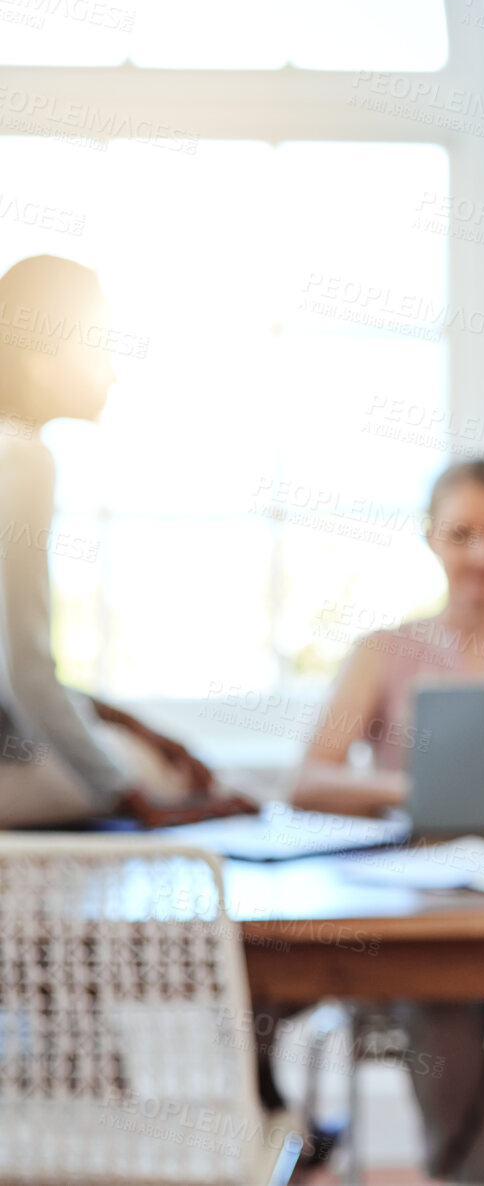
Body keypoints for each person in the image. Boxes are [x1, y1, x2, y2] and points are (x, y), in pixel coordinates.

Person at [288, 458, 484, 1183]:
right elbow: (306, 778)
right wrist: (410, 784)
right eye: (464, 534)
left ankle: (463, 1174)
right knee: (444, 1027)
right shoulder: (386, 652)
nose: (483, 554)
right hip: (427, 908)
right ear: (432, 538)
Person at [0, 255, 254, 829]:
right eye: (99, 349)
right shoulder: (21, 459)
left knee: (139, 754)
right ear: (40, 360)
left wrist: (131, 724)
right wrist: (145, 805)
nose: (112, 374)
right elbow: (26, 677)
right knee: (170, 777)